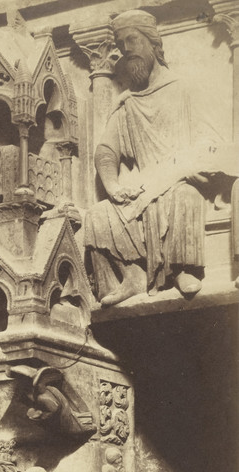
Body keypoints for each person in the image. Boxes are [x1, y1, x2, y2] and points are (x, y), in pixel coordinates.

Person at [84, 10, 233, 306]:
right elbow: (106, 151)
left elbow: (210, 140)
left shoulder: (183, 89)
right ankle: (133, 277)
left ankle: (181, 269)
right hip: (145, 184)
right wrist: (113, 186)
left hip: (180, 178)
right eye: (121, 44)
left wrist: (189, 164)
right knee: (97, 214)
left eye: (133, 40)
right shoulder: (126, 103)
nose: (127, 50)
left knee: (184, 196)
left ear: (154, 43)